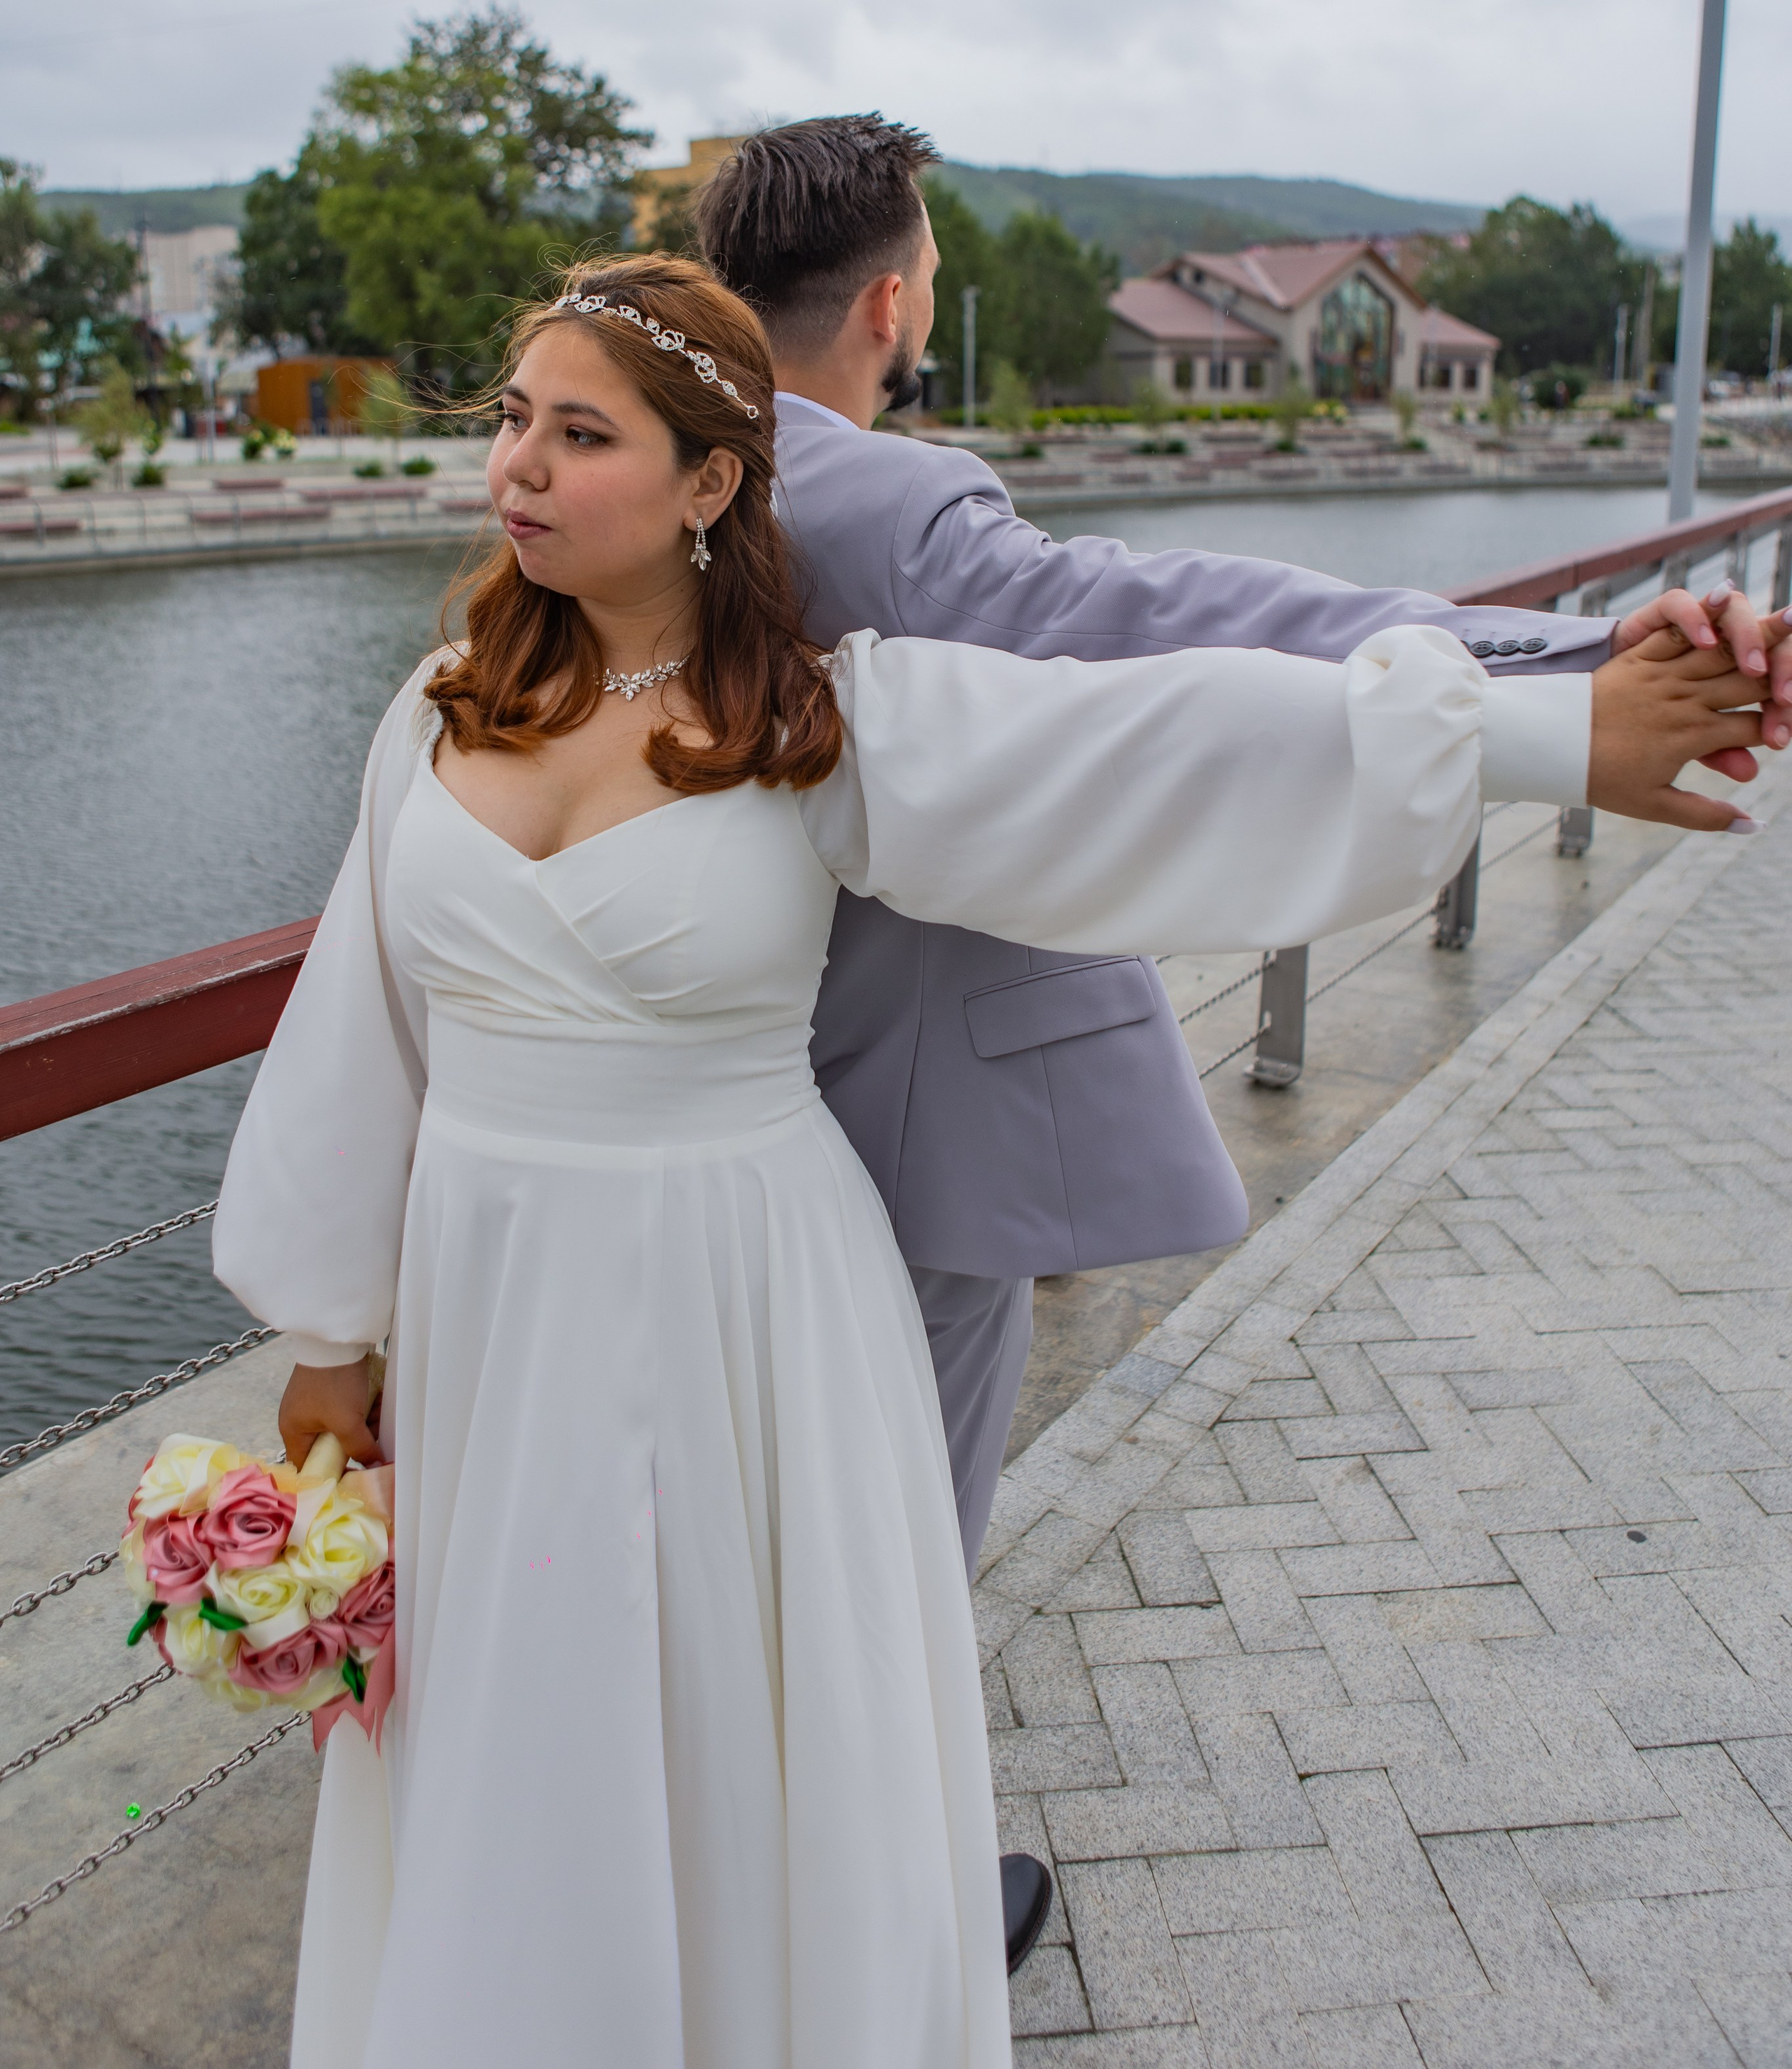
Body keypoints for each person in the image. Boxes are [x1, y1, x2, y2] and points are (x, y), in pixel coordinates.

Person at [213, 262, 1765, 2067]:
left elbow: (1167, 729)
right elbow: (359, 1041)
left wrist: (1554, 728)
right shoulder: (432, 714)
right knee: (516, 1724)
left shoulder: (823, 721)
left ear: (710, 482)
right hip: (491, 1318)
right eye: (507, 424)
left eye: (580, 434)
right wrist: (333, 1338)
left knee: (739, 1723)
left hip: (751, 1320)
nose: (518, 471)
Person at [697, 115, 1791, 1576]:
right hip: (903, 1101)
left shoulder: (646, 474)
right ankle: (913, 1814)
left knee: (761, 1528)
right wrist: (1564, 663)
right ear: (892, 303)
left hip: (717, 1086)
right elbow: (1163, 624)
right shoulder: (871, 494)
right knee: (901, 1541)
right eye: (936, 274)